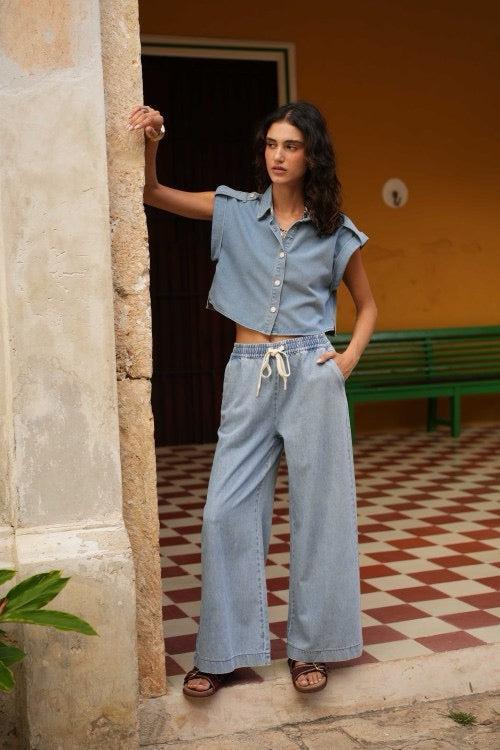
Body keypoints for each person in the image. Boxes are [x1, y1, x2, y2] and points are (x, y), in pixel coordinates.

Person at [128, 100, 378, 697]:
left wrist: (347, 358)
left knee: (322, 513)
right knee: (224, 510)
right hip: (248, 372)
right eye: (271, 144)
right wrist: (154, 140)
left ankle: (312, 649)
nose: (278, 156)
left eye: (291, 146)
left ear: (312, 155)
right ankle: (224, 652)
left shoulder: (335, 230)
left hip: (312, 372)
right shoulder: (234, 211)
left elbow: (368, 305)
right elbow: (153, 193)